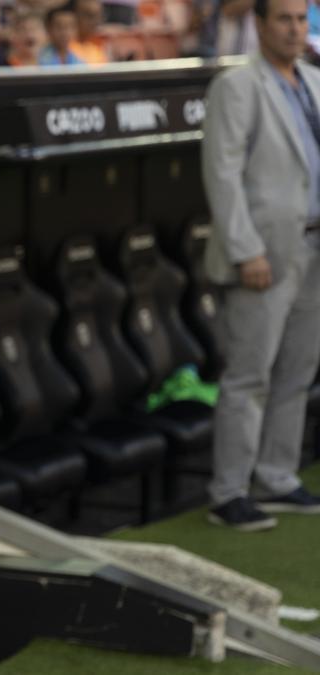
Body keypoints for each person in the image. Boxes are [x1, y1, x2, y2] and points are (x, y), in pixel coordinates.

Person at [201, 0, 320, 530]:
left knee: (298, 369)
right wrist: (245, 249)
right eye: (284, 19)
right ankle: (228, 491)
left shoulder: (313, 83)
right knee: (250, 374)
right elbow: (221, 173)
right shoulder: (238, 85)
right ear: (260, 23)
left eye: (302, 19)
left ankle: (276, 477)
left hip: (313, 246)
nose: (296, 30)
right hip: (266, 251)